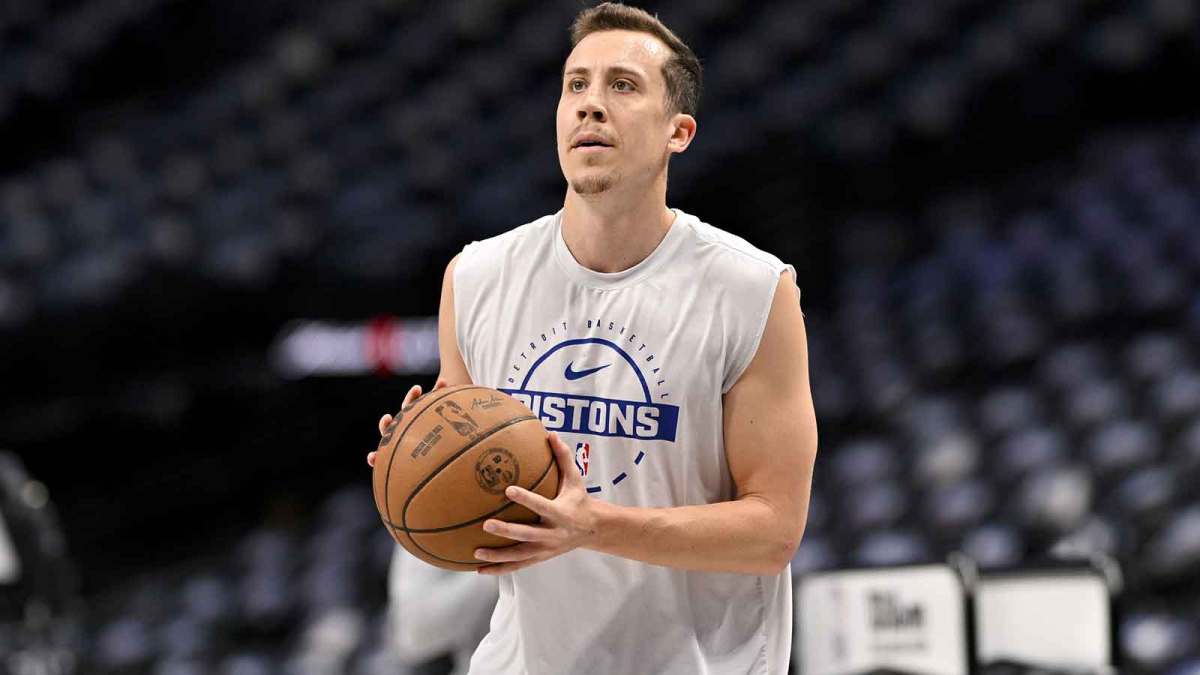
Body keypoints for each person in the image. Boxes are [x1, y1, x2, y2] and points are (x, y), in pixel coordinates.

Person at [368, 3, 818, 673]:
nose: (590, 105)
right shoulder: (477, 276)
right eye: (575, 84)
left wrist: (595, 525)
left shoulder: (753, 290)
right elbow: (467, 466)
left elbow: (773, 532)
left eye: (623, 86)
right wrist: (414, 447)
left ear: (679, 131)